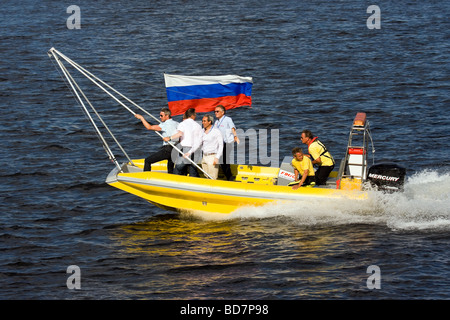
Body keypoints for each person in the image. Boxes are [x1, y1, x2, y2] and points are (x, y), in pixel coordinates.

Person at [135, 108, 178, 173]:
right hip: (176, 149)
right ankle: (171, 177)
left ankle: (146, 178)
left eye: (161, 116)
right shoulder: (177, 123)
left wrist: (141, 118)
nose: (160, 117)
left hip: (168, 150)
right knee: (170, 165)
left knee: (147, 161)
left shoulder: (165, 125)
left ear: (167, 116)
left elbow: (149, 127)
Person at [164, 108, 202, 177]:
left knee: (178, 168)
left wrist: (169, 138)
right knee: (192, 169)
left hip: (185, 149)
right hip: (195, 149)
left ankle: (174, 183)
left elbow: (180, 134)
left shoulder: (182, 124)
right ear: (193, 115)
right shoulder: (198, 125)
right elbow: (199, 140)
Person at [213, 105, 240, 180]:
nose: (215, 113)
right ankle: (226, 175)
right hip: (219, 144)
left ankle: (230, 177)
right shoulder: (216, 122)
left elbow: (232, 128)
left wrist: (235, 136)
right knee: (221, 160)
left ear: (223, 112)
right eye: (215, 111)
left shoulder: (227, 119)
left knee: (224, 160)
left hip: (226, 143)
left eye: (217, 111)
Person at [201, 114, 223, 179]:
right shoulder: (202, 131)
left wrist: (217, 157)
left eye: (204, 121)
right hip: (204, 156)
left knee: (212, 177)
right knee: (206, 176)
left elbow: (221, 145)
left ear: (209, 122)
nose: (203, 123)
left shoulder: (216, 131)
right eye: (202, 121)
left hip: (212, 156)